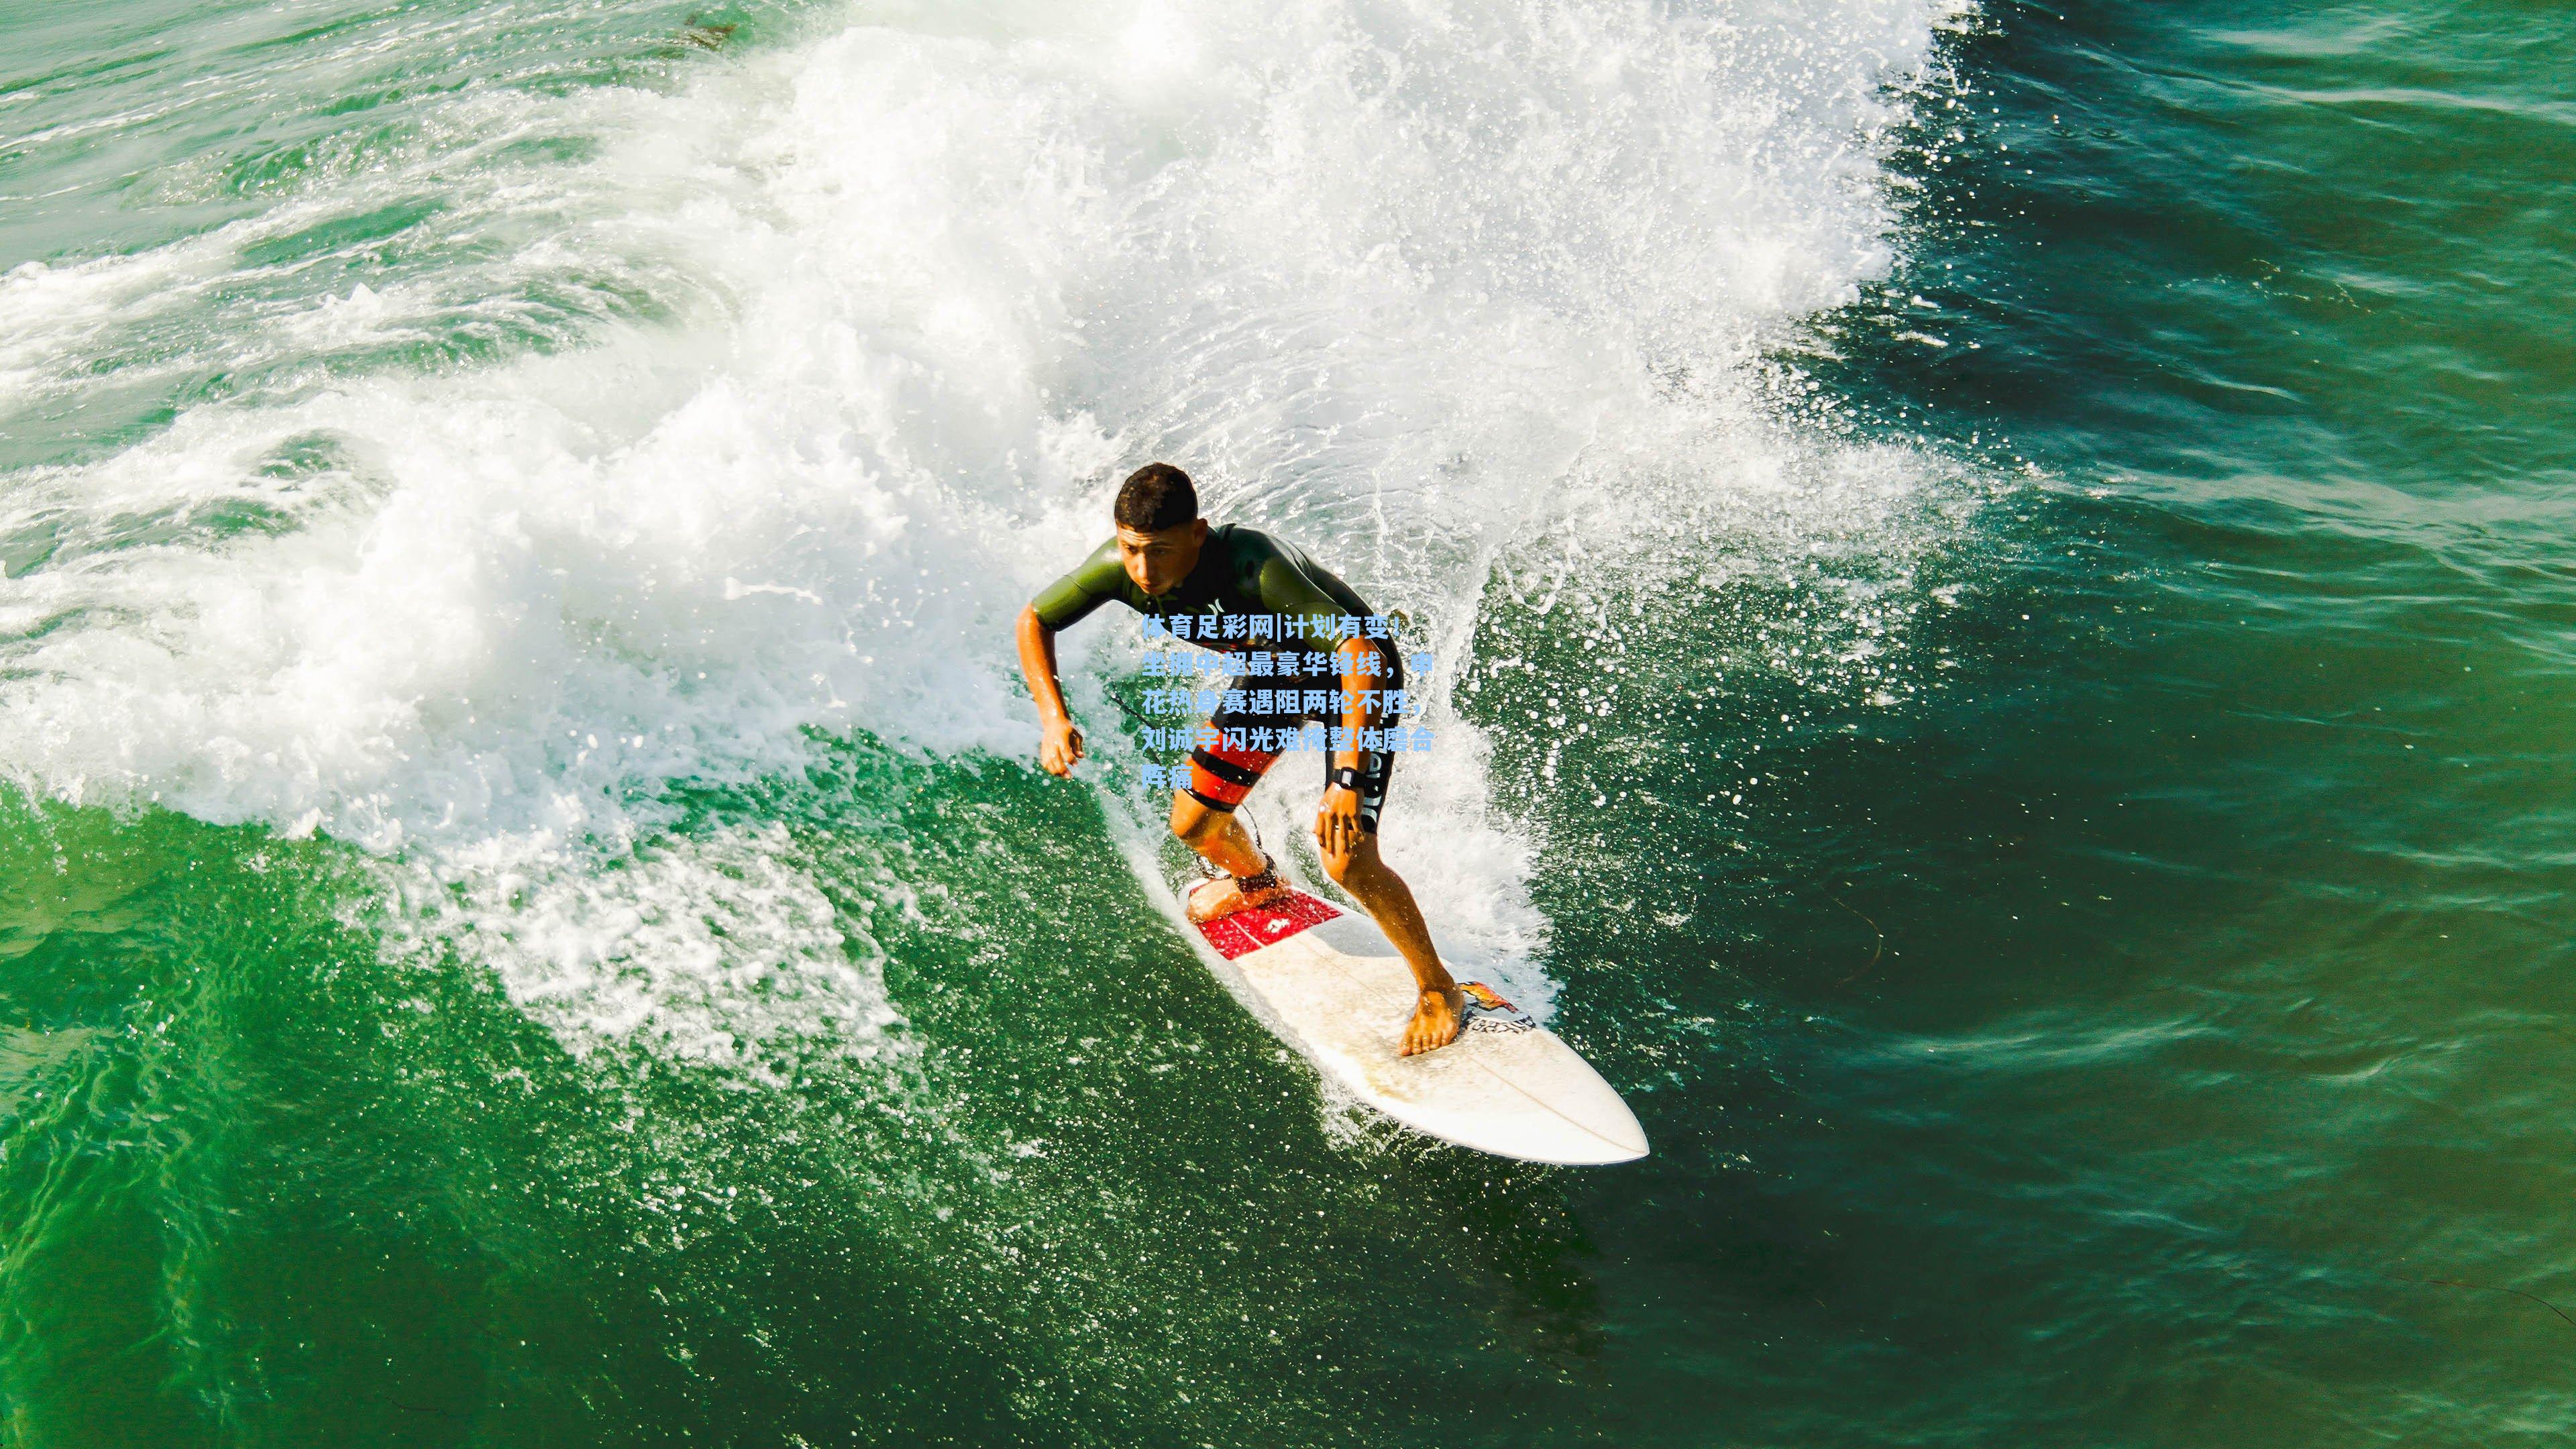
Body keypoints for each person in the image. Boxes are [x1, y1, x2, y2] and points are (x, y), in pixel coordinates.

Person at [1014, 463, 1465, 1057]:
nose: (1143, 572)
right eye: (1130, 550)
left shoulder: (1256, 567)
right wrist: (1053, 717)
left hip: (1361, 679)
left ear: (1198, 535)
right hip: (1283, 671)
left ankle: (1439, 990)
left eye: (1160, 552)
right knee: (1194, 825)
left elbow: (1358, 655)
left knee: (1347, 857)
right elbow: (1036, 619)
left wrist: (1348, 781)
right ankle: (1259, 882)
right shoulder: (1118, 569)